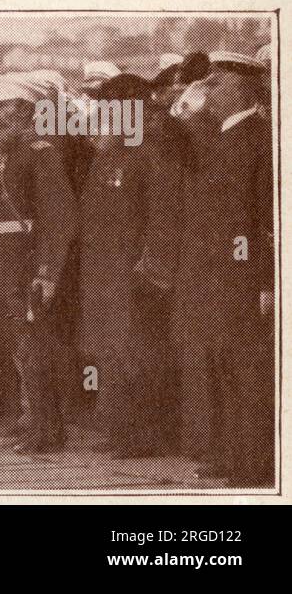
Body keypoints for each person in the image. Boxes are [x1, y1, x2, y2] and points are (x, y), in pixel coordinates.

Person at [170, 52, 273, 487]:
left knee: (246, 369)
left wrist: (264, 278)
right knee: (223, 366)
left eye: (217, 85)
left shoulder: (257, 137)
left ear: (242, 89)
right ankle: (233, 455)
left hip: (241, 274)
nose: (208, 92)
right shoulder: (221, 135)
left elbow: (263, 219)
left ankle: (254, 463)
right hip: (215, 272)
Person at [77, 73, 182, 459]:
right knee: (111, 352)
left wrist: (152, 269)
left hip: (134, 271)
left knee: (139, 353)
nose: (105, 113)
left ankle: (145, 434)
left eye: (113, 106)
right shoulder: (109, 154)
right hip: (104, 271)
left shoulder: (151, 152)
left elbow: (163, 217)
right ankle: (120, 428)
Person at [0, 73, 78, 454]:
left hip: (27, 262)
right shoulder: (5, 155)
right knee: (19, 348)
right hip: (2, 262)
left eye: (4, 108)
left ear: (24, 111)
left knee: (36, 347)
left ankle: (47, 430)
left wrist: (48, 271)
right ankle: (31, 419)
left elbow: (61, 216)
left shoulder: (42, 152)